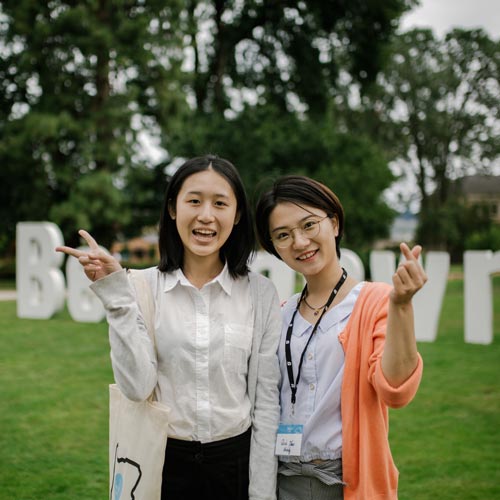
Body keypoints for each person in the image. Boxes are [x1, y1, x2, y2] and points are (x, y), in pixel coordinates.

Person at [56, 155, 282, 500]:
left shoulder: (260, 293)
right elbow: (136, 387)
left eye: (220, 203)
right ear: (173, 208)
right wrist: (117, 297)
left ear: (236, 216)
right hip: (162, 463)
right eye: (194, 201)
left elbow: (266, 406)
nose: (206, 215)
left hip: (234, 464)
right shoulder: (141, 287)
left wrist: (262, 494)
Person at [254, 175, 427, 500]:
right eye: (283, 235)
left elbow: (395, 391)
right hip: (278, 478)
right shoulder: (280, 313)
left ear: (333, 222)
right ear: (275, 247)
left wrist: (401, 306)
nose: (300, 242)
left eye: (308, 225)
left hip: (345, 481)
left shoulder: (374, 302)